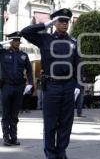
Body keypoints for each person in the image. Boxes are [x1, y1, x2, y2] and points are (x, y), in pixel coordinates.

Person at [21, 8, 81, 159]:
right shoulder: (45, 39)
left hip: (68, 86)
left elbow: (79, 65)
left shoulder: (73, 42)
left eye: (66, 21)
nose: (64, 24)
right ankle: (50, 153)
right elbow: (25, 32)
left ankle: (61, 151)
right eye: (61, 21)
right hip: (51, 85)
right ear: (55, 22)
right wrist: (45, 24)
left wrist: (78, 86)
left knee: (66, 123)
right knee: (50, 123)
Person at [0, 32, 33, 146]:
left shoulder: (23, 55)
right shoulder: (3, 53)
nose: (17, 43)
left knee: (14, 114)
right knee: (6, 113)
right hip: (6, 86)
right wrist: (3, 42)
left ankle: (13, 137)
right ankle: (6, 138)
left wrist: (31, 83)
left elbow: (29, 70)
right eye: (15, 41)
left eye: (18, 41)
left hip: (19, 87)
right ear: (10, 41)